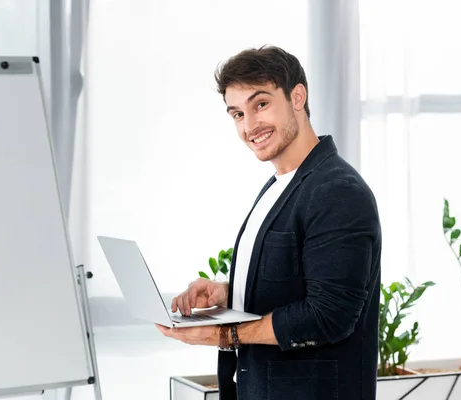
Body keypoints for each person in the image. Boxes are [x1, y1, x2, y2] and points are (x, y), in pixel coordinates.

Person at [156, 45, 381, 400]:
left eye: (260, 104)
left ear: (297, 97)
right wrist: (231, 292)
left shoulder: (337, 190)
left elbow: (329, 315)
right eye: (237, 114)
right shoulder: (281, 183)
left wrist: (226, 334)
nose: (249, 126)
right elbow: (303, 282)